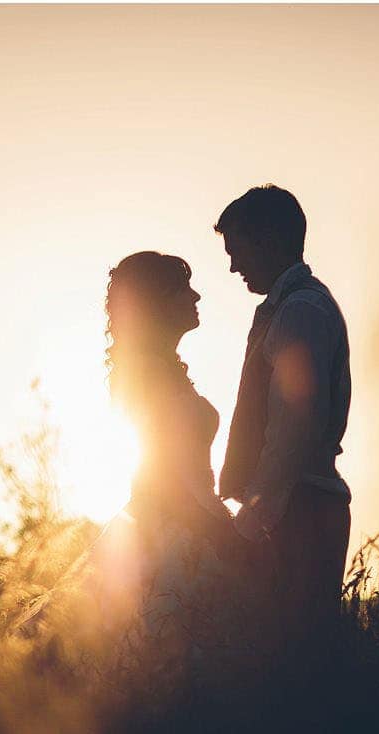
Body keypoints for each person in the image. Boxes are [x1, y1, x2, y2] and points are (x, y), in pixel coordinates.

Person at [213, 185, 353, 635]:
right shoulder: (286, 309)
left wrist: (253, 520)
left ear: (269, 239)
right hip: (292, 508)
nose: (233, 265)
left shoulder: (301, 312)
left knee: (291, 657)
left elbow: (295, 427)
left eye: (238, 250)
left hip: (298, 513)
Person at [81, 251, 240, 639]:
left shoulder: (162, 369)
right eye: (185, 288)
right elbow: (158, 465)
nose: (197, 297)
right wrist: (215, 531)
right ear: (158, 302)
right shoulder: (146, 373)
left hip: (190, 518)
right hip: (173, 526)